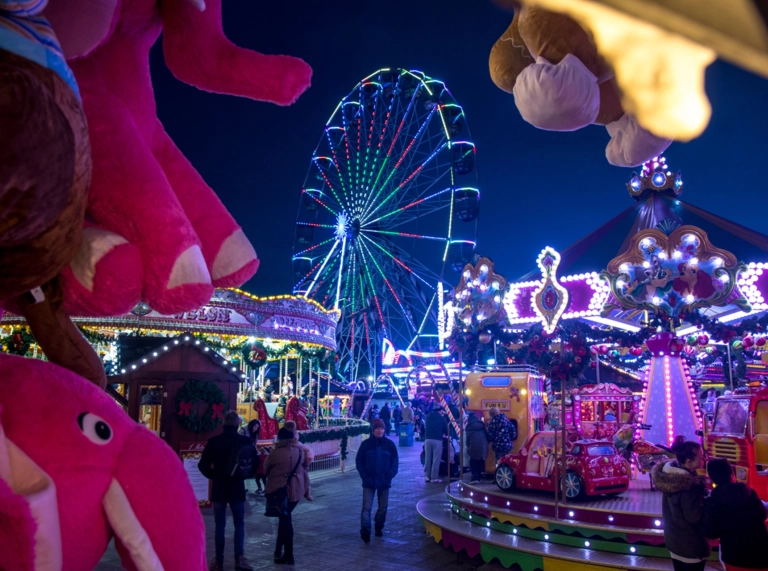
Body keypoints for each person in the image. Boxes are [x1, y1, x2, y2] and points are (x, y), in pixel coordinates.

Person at [198, 411, 254, 571]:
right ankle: (239, 559)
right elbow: (254, 464)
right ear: (237, 424)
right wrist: (243, 476)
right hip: (237, 488)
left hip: (219, 488)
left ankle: (219, 561)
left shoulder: (214, 441)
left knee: (219, 525)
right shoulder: (245, 441)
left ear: (223, 424)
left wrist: (214, 476)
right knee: (239, 524)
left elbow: (202, 465)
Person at [651, 440, 710, 571]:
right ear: (689, 461)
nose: (704, 460)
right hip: (690, 544)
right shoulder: (689, 486)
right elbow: (694, 517)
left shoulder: (669, 474)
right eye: (701, 457)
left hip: (675, 540)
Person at [704, 458, 768, 571]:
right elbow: (763, 515)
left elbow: (711, 532)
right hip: (761, 551)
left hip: (733, 554)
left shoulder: (712, 500)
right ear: (732, 473)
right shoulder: (749, 492)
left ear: (712, 477)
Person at [264, 427, 312, 566]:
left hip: (280, 491)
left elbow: (266, 469)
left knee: (285, 521)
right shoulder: (299, 451)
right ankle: (280, 551)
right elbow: (305, 466)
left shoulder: (275, 453)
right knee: (285, 518)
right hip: (296, 490)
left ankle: (288, 555)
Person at [356, 419, 399, 543]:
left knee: (383, 507)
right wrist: (364, 476)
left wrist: (388, 476)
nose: (379, 431)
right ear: (373, 430)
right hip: (369, 481)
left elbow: (394, 463)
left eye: (381, 428)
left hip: (384, 481)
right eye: (377, 429)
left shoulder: (389, 445)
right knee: (366, 507)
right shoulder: (366, 444)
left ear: (384, 430)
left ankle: (379, 526)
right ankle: (365, 530)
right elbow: (359, 461)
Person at [283, 420, 314, 500]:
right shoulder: (294, 436)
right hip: (294, 458)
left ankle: (305, 492)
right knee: (304, 478)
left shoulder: (284, 435)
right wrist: (307, 462)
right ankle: (306, 493)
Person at [424, 405, 448, 483]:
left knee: (428, 458)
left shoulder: (427, 417)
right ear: (440, 411)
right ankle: (434, 477)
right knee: (436, 459)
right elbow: (446, 429)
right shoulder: (442, 418)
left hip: (427, 439)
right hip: (437, 440)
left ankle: (427, 476)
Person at [466, 412, 489, 484]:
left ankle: (475, 478)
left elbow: (467, 441)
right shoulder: (482, 426)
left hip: (473, 446)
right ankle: (479, 477)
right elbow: (487, 437)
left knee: (473, 461)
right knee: (481, 461)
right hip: (484, 446)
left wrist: (468, 447)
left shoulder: (469, 428)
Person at [245, 419, 265, 494]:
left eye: (257, 428)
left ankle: (260, 488)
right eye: (254, 427)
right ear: (251, 425)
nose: (255, 429)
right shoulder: (244, 429)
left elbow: (254, 444)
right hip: (244, 452)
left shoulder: (255, 433)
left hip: (251, 452)